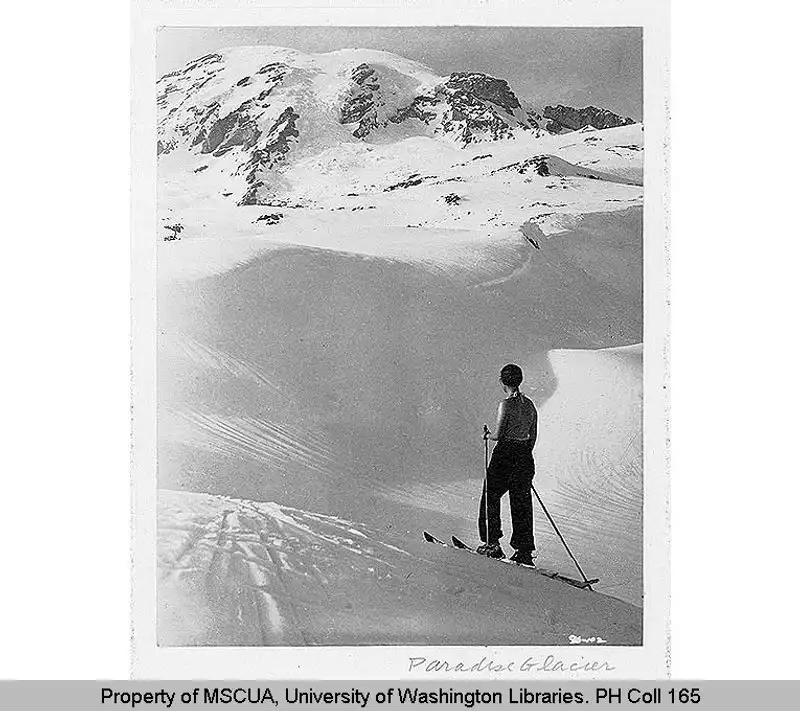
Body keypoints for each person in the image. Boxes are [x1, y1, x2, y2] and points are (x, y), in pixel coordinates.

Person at [477, 363, 538, 566]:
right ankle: (524, 551)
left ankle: (492, 543)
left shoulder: (506, 404)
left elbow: (499, 434)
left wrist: (488, 435)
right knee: (521, 502)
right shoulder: (529, 405)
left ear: (502, 381)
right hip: (524, 455)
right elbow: (533, 437)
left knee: (491, 496)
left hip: (505, 454)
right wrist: (523, 455)